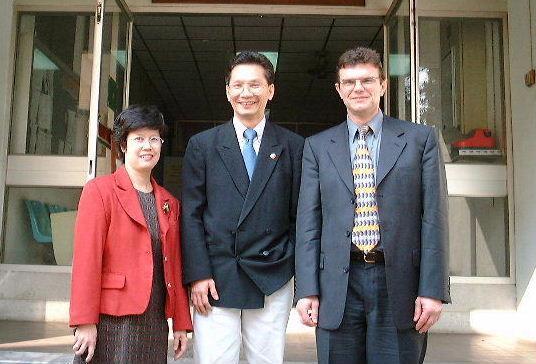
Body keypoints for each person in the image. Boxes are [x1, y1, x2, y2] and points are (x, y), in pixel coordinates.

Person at [295, 47, 450, 364]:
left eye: (367, 80)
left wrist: (433, 290)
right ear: (339, 90)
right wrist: (307, 289)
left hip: (400, 286)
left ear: (383, 85)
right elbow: (309, 223)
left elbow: (434, 219)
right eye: (349, 82)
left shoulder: (420, 140)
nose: (358, 88)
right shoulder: (317, 147)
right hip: (337, 284)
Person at [181, 51, 304, 364]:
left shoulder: (293, 146)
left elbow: (300, 215)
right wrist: (198, 274)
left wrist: (289, 265)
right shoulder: (203, 144)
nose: (245, 93)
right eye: (237, 85)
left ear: (270, 90)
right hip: (216, 277)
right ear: (227, 90)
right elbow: (192, 216)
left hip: (271, 274)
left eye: (255, 85)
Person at [69, 105, 192, 363]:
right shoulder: (100, 191)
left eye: (154, 139)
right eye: (139, 139)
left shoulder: (169, 202)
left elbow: (175, 264)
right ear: (123, 145)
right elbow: (86, 261)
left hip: (154, 320)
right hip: (111, 319)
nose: (148, 146)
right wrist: (84, 321)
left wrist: (181, 321)